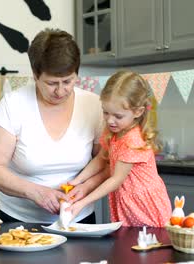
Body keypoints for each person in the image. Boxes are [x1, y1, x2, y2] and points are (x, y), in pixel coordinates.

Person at [0, 28, 107, 224]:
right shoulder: (14, 104)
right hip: (18, 221)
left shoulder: (94, 105)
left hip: (78, 219)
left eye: (68, 81)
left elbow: (106, 160)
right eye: (51, 83)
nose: (60, 91)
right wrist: (35, 192)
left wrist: (86, 187)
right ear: (35, 74)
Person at [67, 70, 171, 227]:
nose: (110, 120)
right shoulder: (113, 132)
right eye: (105, 112)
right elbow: (100, 160)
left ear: (138, 112)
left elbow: (115, 179)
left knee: (147, 245)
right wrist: (77, 181)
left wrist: (83, 202)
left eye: (118, 116)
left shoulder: (132, 140)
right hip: (129, 202)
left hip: (144, 206)